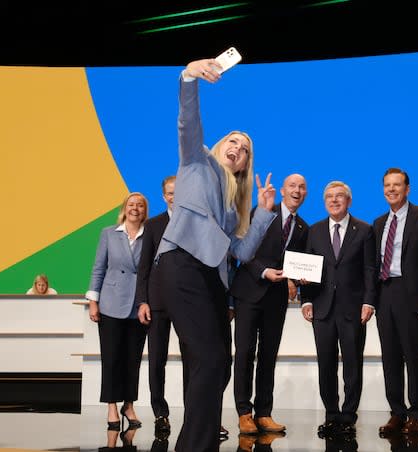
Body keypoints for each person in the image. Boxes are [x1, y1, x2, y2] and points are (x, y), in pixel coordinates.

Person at [150, 57, 277, 452]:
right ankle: (196, 445)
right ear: (221, 146)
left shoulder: (231, 203)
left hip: (210, 279)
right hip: (181, 265)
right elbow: (188, 120)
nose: (237, 149)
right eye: (233, 142)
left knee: (219, 362)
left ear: (245, 164)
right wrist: (189, 76)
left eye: (244, 149)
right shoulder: (197, 160)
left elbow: (239, 251)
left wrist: (263, 213)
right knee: (209, 357)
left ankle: (197, 441)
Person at [230, 173, 309, 434]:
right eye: (292, 186)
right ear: (283, 191)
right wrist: (265, 272)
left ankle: (264, 413)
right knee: (244, 353)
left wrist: (298, 280)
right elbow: (245, 250)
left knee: (268, 356)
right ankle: (244, 413)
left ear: (305, 194)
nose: (297, 190)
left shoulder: (303, 228)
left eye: (302, 187)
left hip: (276, 298)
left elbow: (296, 265)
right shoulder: (262, 211)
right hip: (250, 291)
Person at [301, 181, 377, 437]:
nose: (334, 201)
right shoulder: (315, 231)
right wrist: (306, 300)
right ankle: (331, 414)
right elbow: (307, 270)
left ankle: (348, 415)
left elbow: (369, 269)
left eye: (339, 197)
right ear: (324, 202)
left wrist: (369, 301)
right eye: (329, 197)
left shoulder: (364, 230)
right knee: (326, 364)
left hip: (353, 309)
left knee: (352, 364)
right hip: (322, 309)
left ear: (349, 201)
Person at [373, 168, 418, 436]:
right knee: (389, 357)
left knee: (413, 355)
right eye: (387, 185)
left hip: (411, 294)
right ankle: (396, 413)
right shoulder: (379, 223)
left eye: (397, 185)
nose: (392, 189)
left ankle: (416, 413)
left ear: (407, 189)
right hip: (385, 293)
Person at [86, 192, 149, 432]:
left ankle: (129, 405)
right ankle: (111, 405)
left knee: (132, 359)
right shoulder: (108, 234)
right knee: (111, 358)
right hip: (111, 304)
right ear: (125, 208)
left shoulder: (150, 235)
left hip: (139, 306)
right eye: (131, 204)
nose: (135, 208)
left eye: (140, 205)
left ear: (145, 210)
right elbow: (98, 268)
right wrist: (93, 301)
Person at [134, 175, 184, 437]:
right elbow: (143, 268)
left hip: (188, 304)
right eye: (170, 193)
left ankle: (194, 414)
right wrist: (143, 301)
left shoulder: (194, 223)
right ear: (164, 196)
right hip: (157, 304)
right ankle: (160, 413)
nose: (175, 197)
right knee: (157, 361)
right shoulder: (152, 226)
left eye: (179, 192)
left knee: (193, 361)